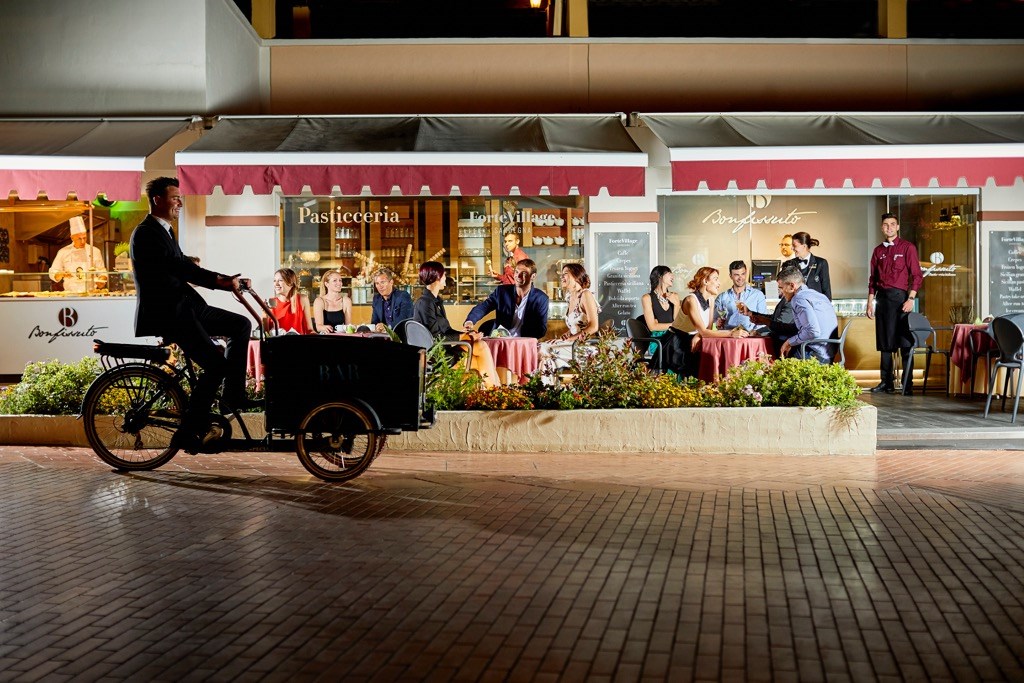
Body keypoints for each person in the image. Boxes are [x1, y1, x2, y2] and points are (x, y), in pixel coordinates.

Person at [130, 176, 253, 451]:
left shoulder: (165, 231)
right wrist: (220, 282)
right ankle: (188, 431)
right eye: (175, 198)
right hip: (171, 313)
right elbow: (179, 267)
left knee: (241, 324)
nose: (180, 203)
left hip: (186, 308)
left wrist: (228, 278)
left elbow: (183, 263)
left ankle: (232, 398)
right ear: (157, 200)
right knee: (216, 365)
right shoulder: (146, 232)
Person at [867, 212, 923, 395]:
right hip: (882, 300)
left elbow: (917, 276)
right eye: (885, 224)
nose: (889, 227)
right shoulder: (878, 251)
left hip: (900, 299)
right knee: (885, 344)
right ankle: (886, 383)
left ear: (898, 227)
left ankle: (908, 384)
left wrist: (911, 298)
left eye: (892, 224)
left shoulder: (908, 248)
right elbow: (872, 280)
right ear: (882, 227)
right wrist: (870, 302)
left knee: (905, 343)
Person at [662, 266, 749, 378]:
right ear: (705, 281)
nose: (719, 283)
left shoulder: (711, 300)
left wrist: (699, 335)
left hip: (691, 340)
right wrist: (731, 333)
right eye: (716, 279)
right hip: (676, 343)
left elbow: (706, 329)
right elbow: (704, 331)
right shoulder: (690, 300)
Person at [463, 258, 549, 339]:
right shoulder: (502, 291)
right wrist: (470, 321)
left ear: (533, 276)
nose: (518, 276)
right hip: (500, 340)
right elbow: (484, 307)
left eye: (524, 273)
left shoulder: (541, 299)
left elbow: (541, 330)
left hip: (525, 342)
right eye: (516, 272)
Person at [538, 263, 600, 371]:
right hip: (573, 344)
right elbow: (575, 327)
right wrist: (563, 338)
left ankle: (547, 385)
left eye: (565, 274)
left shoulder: (585, 295)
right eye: (561, 274)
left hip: (585, 347)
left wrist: (570, 339)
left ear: (576, 276)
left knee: (544, 350)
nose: (561, 277)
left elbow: (593, 327)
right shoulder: (570, 296)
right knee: (541, 348)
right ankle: (548, 385)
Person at [775, 266, 839, 365]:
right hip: (829, 352)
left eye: (781, 288)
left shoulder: (799, 299)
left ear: (792, 286)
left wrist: (789, 342)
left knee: (779, 348)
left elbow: (813, 331)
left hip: (817, 355)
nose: (781, 293)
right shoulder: (817, 295)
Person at [49, 216, 107, 294]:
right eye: (79, 239)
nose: (83, 241)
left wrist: (102, 280)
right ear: (72, 238)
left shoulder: (95, 251)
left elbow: (102, 271)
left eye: (84, 238)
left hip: (90, 294)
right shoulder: (63, 252)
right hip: (70, 294)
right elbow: (53, 272)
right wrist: (61, 274)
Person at [640, 266, 681, 364]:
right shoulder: (647, 298)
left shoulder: (674, 296)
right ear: (660, 277)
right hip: (658, 340)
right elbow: (652, 327)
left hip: (674, 337)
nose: (673, 276)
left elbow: (678, 323)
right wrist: (672, 326)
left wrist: (676, 305)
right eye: (669, 273)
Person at [414, 261, 462, 341]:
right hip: (435, 351)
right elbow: (435, 337)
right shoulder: (425, 303)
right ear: (436, 277)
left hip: (444, 347)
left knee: (479, 343)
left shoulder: (437, 301)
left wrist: (465, 334)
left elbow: (447, 330)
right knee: (480, 345)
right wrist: (461, 337)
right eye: (444, 275)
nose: (445, 278)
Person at [714, 260, 767, 331]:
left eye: (743, 274)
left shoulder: (758, 295)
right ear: (731, 276)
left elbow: (763, 322)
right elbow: (714, 322)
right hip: (729, 337)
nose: (740, 278)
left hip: (751, 337)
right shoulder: (721, 297)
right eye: (736, 275)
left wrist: (754, 334)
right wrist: (717, 324)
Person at [782, 231, 832, 300]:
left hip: (815, 306)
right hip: (795, 306)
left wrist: (826, 308)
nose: (792, 248)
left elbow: (826, 291)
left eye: (795, 246)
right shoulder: (789, 264)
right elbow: (785, 289)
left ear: (804, 246)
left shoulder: (821, 263)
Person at [267, 268, 313, 335]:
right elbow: (266, 333)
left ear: (291, 284)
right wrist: (264, 315)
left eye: (280, 280)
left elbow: (309, 329)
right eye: (274, 281)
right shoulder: (271, 302)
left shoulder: (302, 299)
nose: (276, 284)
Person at [370, 268, 414, 332]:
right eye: (377, 283)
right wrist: (377, 327)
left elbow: (404, 320)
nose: (380, 286)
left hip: (402, 336)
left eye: (382, 282)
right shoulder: (377, 299)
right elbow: (374, 322)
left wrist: (387, 327)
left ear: (391, 282)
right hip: (383, 337)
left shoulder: (403, 296)